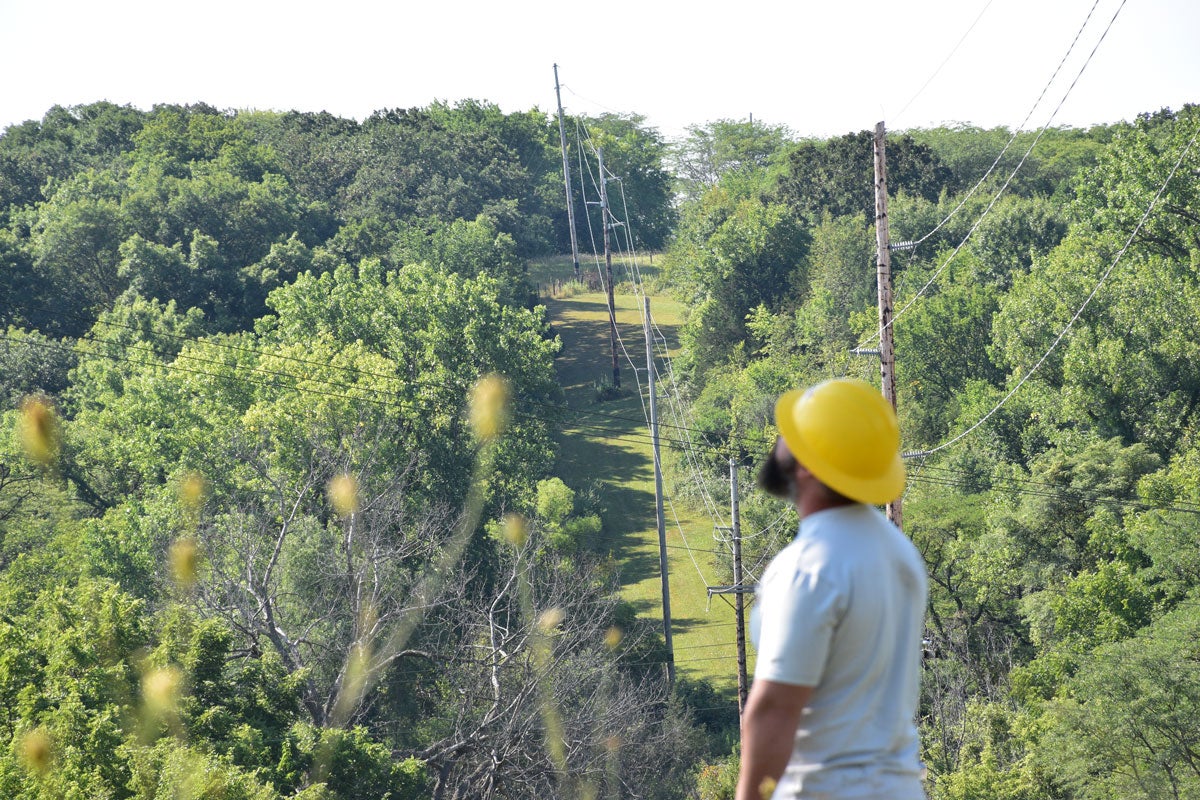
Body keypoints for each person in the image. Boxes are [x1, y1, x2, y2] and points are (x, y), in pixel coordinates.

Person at [736, 378, 928, 800]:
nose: (781, 437)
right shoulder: (900, 554)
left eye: (793, 434)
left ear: (807, 464)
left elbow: (774, 710)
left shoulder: (808, 568)